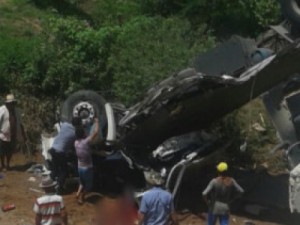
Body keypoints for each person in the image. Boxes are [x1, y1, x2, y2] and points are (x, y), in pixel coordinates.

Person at [49, 117, 82, 194]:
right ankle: (59, 188)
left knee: (55, 169)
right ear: (78, 125)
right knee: (64, 170)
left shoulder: (65, 125)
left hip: (53, 149)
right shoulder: (75, 133)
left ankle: (49, 185)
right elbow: (76, 144)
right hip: (60, 152)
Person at [75, 117, 99, 204]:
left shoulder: (76, 143)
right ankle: (82, 197)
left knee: (82, 182)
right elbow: (95, 132)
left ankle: (77, 193)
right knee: (88, 186)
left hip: (80, 167)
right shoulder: (86, 142)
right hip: (87, 168)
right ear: (83, 134)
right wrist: (97, 122)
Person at [0, 94, 25, 170]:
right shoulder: (2, 110)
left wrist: (23, 134)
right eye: (10, 103)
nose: (11, 105)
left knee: (10, 151)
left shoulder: (17, 111)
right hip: (2, 135)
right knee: (2, 151)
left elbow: (20, 123)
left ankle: (8, 164)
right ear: (7, 103)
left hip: (13, 135)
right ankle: (3, 165)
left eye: (13, 103)